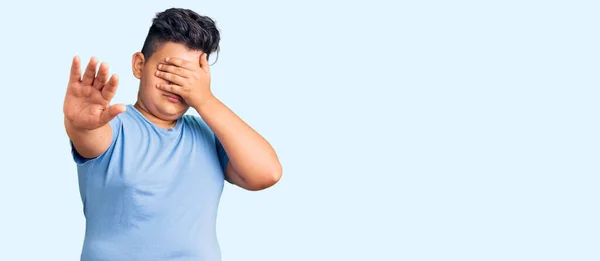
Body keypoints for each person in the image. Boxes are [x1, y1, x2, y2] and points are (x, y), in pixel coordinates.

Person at [63, 7, 282, 261]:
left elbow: (267, 173)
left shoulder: (209, 134)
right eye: (167, 71)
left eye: (188, 77)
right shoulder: (115, 125)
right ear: (139, 65)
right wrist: (79, 124)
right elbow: (90, 136)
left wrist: (205, 99)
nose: (177, 85)